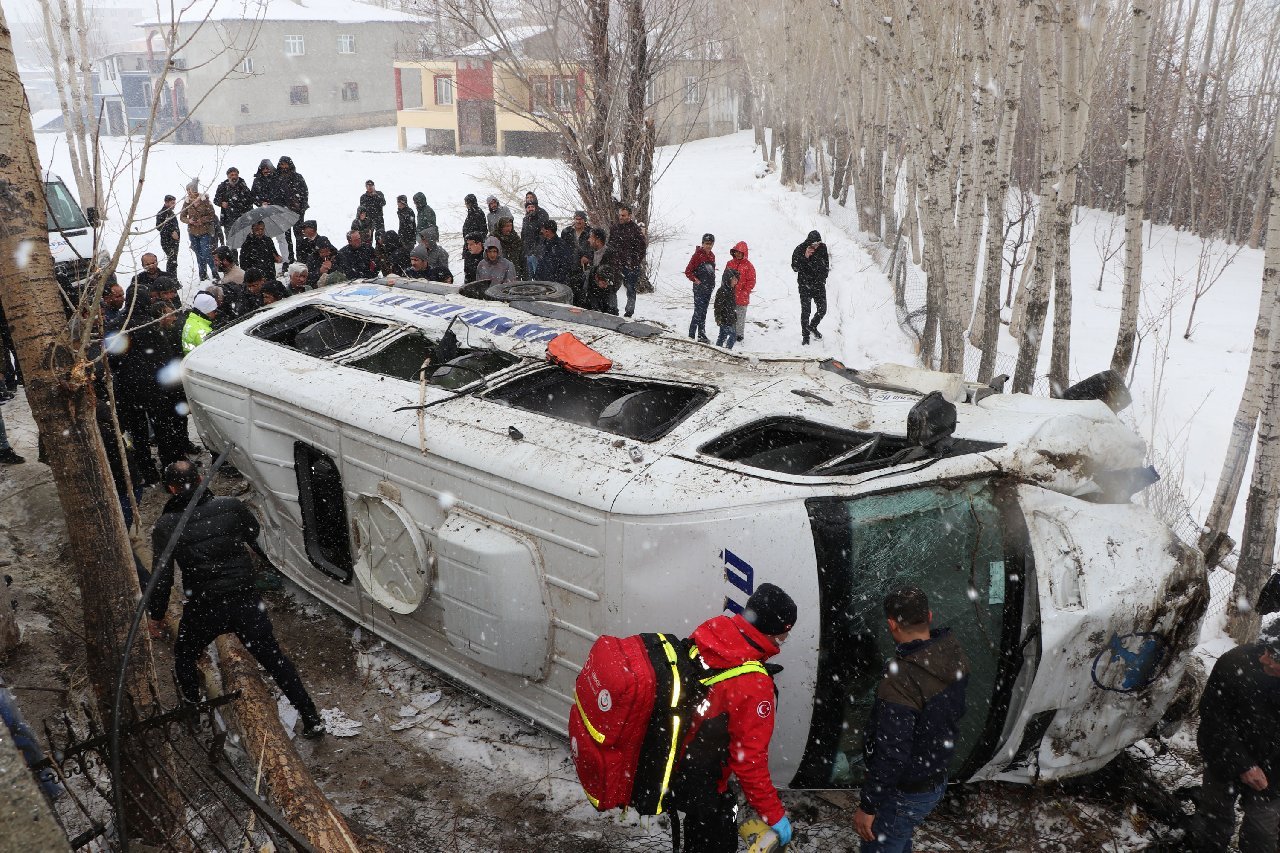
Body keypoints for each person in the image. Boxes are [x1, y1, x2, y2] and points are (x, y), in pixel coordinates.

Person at [148, 461, 325, 738]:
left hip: (204, 608)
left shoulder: (166, 525)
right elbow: (254, 535)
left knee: (184, 655)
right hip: (245, 603)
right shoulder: (230, 506)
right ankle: (311, 716)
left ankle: (194, 712)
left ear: (171, 489)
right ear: (202, 478)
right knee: (274, 659)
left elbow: (162, 578)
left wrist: (157, 615)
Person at [671, 583, 797, 853]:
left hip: (680, 751)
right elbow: (750, 762)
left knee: (697, 830)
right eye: (785, 634)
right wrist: (774, 816)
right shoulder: (754, 685)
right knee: (713, 840)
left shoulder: (715, 627)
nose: (783, 642)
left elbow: (714, 673)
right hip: (705, 777)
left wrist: (753, 666)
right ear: (773, 631)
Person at [854, 586, 970, 852]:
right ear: (929, 615)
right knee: (898, 838)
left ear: (891, 624)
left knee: (883, 845)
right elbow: (955, 711)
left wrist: (868, 806)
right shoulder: (952, 654)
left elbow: (892, 753)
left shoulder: (901, 680)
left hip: (905, 790)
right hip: (934, 778)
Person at [1191, 621, 1280, 853]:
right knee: (1214, 820)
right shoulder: (1236, 663)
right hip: (1224, 755)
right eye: (1268, 651)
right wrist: (1243, 764)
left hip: (1274, 769)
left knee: (1262, 833)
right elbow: (1213, 718)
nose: (1265, 659)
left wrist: (1268, 771)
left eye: (1276, 658)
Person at [791, 230, 830, 346]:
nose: (816, 246)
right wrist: (805, 256)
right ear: (809, 242)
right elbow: (794, 267)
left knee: (822, 309)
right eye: (814, 244)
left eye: (818, 243)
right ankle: (805, 336)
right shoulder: (800, 249)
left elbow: (826, 264)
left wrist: (824, 277)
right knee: (806, 311)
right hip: (805, 285)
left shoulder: (823, 248)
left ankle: (812, 326)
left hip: (819, 284)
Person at [608, 204, 647, 318]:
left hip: (630, 265)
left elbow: (642, 248)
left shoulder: (635, 230)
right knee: (612, 287)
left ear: (630, 216)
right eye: (620, 215)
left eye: (623, 215)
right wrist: (612, 259)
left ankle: (629, 312)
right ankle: (613, 309)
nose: (621, 217)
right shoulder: (614, 228)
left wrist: (634, 262)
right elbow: (610, 245)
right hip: (616, 264)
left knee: (630, 288)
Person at [179, 182, 217, 282]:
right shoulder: (187, 202)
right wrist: (189, 220)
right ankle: (203, 275)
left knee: (206, 253)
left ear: (194, 190)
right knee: (198, 254)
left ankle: (215, 273)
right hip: (193, 232)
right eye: (187, 190)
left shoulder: (205, 201)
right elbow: (182, 217)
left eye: (189, 190)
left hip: (205, 231)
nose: (188, 192)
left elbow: (212, 215)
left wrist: (202, 220)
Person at [274, 156, 308, 265]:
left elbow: (304, 193)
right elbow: (274, 195)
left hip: (297, 212)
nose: (284, 167)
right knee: (286, 237)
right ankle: (290, 260)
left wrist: (301, 208)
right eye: (282, 165)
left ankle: (301, 258)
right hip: (283, 213)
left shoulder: (298, 177)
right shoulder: (276, 178)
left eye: (286, 164)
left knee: (299, 236)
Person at [213, 166, 253, 249]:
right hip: (228, 219)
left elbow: (250, 200)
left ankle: (245, 261)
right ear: (228, 176)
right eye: (231, 175)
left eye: (235, 174)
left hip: (243, 218)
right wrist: (221, 203)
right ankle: (233, 261)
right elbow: (215, 200)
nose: (233, 177)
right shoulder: (222, 186)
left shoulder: (243, 186)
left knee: (246, 243)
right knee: (231, 244)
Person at [726, 241, 756, 345]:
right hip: (730, 295)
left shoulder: (749, 266)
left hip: (742, 297)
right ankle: (731, 332)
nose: (738, 254)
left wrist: (745, 291)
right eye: (736, 252)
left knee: (740, 317)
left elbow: (751, 281)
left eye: (740, 252)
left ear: (744, 253)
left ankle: (739, 334)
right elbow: (725, 277)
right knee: (730, 315)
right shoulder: (730, 263)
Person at [585, 227, 620, 315]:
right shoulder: (590, 252)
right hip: (593, 296)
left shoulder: (612, 255)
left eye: (591, 237)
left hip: (607, 298)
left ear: (598, 240)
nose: (588, 240)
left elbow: (618, 277)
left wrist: (607, 285)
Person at [688, 239, 716, 343]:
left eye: (710, 244)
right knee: (698, 312)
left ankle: (701, 334)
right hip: (699, 289)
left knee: (703, 312)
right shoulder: (697, 256)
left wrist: (712, 284)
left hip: (708, 289)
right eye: (706, 244)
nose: (708, 246)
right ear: (702, 243)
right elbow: (688, 271)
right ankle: (690, 336)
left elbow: (711, 272)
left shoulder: (712, 255)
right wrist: (696, 280)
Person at [520, 193, 549, 278]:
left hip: (537, 253)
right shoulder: (525, 219)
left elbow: (543, 234)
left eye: (532, 207)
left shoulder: (540, 215)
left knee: (538, 277)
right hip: (527, 252)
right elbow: (523, 235)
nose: (530, 209)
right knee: (529, 277)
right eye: (528, 207)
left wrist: (537, 250)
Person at [536, 220, 571, 285]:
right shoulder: (542, 244)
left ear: (548, 231)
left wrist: (557, 281)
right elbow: (540, 263)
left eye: (543, 229)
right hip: (542, 283)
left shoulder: (561, 245)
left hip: (556, 285)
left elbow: (565, 266)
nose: (541, 231)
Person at [714, 268, 739, 349]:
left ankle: (718, 349)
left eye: (737, 280)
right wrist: (718, 318)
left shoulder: (731, 290)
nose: (736, 282)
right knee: (732, 335)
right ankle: (727, 351)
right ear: (728, 279)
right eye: (734, 279)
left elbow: (732, 306)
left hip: (730, 319)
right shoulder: (722, 291)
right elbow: (717, 307)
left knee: (722, 336)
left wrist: (734, 316)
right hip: (724, 319)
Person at [156, 194, 181, 276]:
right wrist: (171, 232)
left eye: (174, 203)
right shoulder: (162, 213)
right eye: (172, 203)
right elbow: (159, 227)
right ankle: (171, 279)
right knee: (172, 261)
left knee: (173, 261)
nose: (174, 205)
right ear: (166, 202)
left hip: (174, 241)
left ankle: (173, 279)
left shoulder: (171, 213)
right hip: (167, 241)